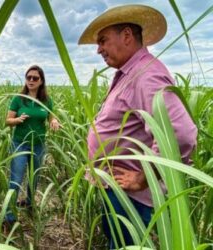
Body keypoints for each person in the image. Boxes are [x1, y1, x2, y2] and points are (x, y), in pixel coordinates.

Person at [78, 4, 197, 249]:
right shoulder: (130, 72)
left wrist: (145, 177)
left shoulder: (147, 75)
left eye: (102, 40)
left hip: (131, 196)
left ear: (127, 36)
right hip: (118, 189)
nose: (98, 49)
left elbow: (181, 134)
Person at [4, 65, 61, 224]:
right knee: (16, 178)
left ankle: (29, 204)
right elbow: (7, 121)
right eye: (28, 77)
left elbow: (51, 118)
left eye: (35, 78)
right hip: (20, 144)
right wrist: (17, 120)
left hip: (39, 145)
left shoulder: (46, 101)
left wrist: (54, 122)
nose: (31, 80)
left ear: (41, 81)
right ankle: (9, 215)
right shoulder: (18, 99)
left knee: (33, 177)